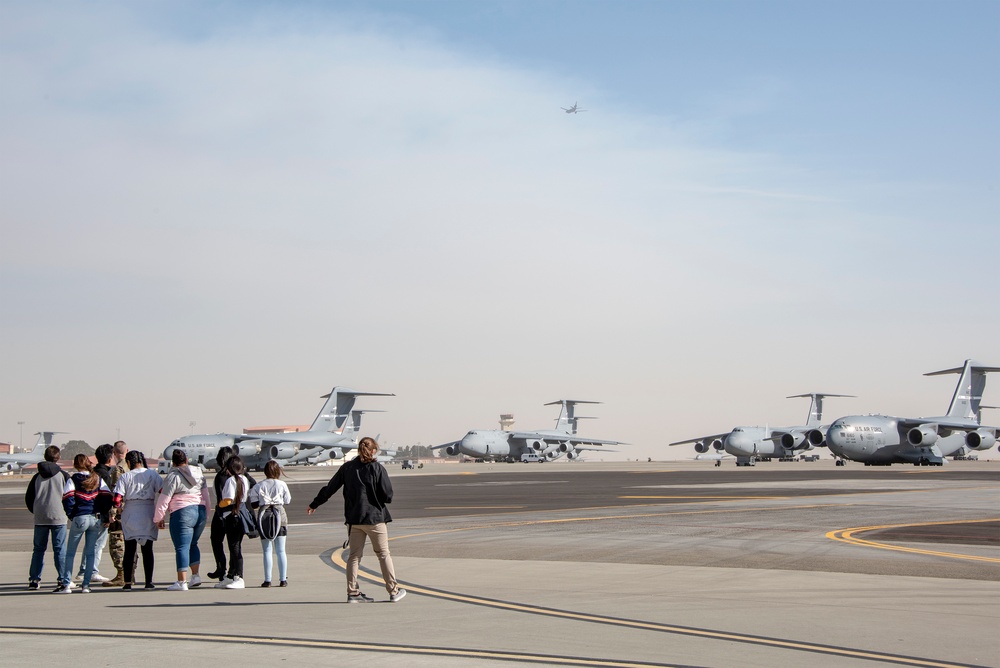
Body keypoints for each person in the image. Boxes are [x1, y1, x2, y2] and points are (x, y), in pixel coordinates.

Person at [307, 437, 406, 603]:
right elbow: (388, 495)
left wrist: (315, 503)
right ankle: (393, 591)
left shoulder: (347, 468)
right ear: (373, 450)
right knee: (383, 555)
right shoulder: (377, 468)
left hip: (354, 519)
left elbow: (330, 488)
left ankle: (352, 592)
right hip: (375, 519)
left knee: (354, 557)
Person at [153, 449, 210, 591]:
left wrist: (158, 518)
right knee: (193, 544)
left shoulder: (173, 476)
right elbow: (206, 495)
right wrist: (206, 513)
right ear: (187, 460)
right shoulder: (199, 473)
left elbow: (164, 499)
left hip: (182, 512)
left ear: (173, 462)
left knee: (182, 547)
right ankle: (195, 576)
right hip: (200, 510)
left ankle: (182, 581)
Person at [63, 454, 113, 593]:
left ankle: (67, 583)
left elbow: (67, 498)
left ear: (75, 464)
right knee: (91, 552)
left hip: (80, 517)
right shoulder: (97, 478)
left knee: (71, 553)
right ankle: (86, 585)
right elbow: (108, 495)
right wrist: (102, 510)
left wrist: (71, 514)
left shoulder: (73, 479)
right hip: (95, 517)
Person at [113, 450, 162, 590]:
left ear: (129, 463)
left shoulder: (125, 476)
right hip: (148, 511)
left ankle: (127, 582)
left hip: (131, 511)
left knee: (129, 549)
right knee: (147, 550)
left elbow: (117, 498)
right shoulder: (153, 474)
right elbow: (162, 491)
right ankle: (148, 582)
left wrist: (120, 510)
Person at [24, 445, 71, 592]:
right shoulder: (64, 475)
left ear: (45, 457)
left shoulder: (37, 476)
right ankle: (63, 579)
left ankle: (34, 579)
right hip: (59, 516)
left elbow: (29, 497)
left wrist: (36, 510)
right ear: (58, 458)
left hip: (41, 516)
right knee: (59, 549)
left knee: (38, 549)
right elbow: (70, 496)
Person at [75, 443, 113, 584]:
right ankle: (92, 571)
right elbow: (106, 498)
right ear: (109, 458)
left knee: (90, 544)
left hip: (88, 513)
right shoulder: (104, 475)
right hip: (99, 515)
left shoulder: (94, 473)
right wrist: (108, 515)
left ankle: (84, 570)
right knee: (98, 544)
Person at [249, 460, 291, 588]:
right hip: (280, 516)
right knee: (281, 550)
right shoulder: (282, 484)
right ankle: (283, 579)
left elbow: (253, 503)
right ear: (278, 471)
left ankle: (267, 579)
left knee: (267, 550)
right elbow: (287, 500)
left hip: (264, 517)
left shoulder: (259, 486)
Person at [216, 455, 251, 589]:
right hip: (239, 515)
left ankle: (239, 576)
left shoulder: (231, 480)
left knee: (235, 547)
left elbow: (228, 500)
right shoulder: (244, 479)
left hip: (232, 516)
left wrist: (220, 504)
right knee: (234, 546)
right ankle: (231, 575)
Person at [103, 440, 130, 586]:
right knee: (130, 543)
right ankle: (130, 573)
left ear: (114, 453)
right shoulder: (131, 466)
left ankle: (121, 574)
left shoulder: (118, 470)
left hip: (120, 511)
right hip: (131, 510)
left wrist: (112, 513)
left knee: (116, 542)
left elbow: (116, 493)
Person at [207, 446, 234, 581]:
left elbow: (220, 497)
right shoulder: (238, 474)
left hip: (222, 513)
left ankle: (221, 568)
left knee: (216, 540)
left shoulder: (221, 476)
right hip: (234, 513)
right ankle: (232, 571)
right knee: (233, 544)